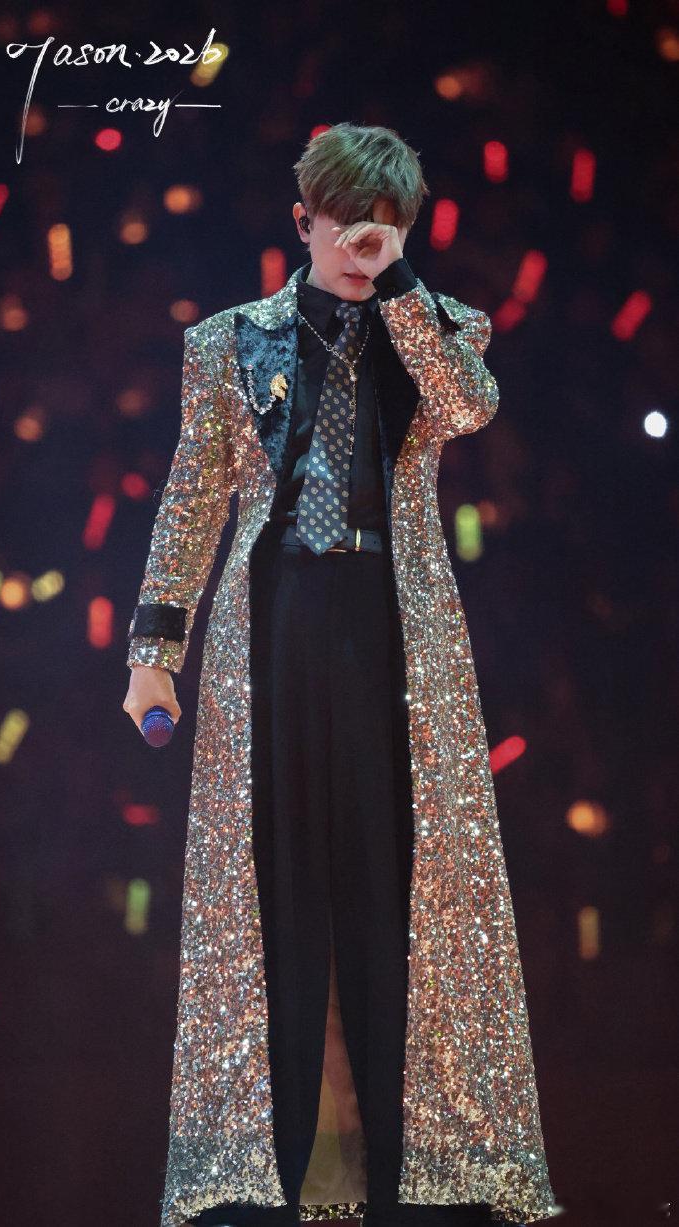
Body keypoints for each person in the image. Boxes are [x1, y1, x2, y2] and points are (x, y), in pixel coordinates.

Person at [122, 122, 558, 1227]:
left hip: (393, 631)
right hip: (273, 629)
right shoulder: (230, 342)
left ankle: (421, 1175)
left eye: (389, 226)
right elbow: (192, 498)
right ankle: (272, 1175)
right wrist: (154, 653)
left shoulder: (443, 327)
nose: (366, 243)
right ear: (303, 221)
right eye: (350, 225)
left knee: (395, 875)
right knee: (277, 882)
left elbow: (468, 406)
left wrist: (397, 285)